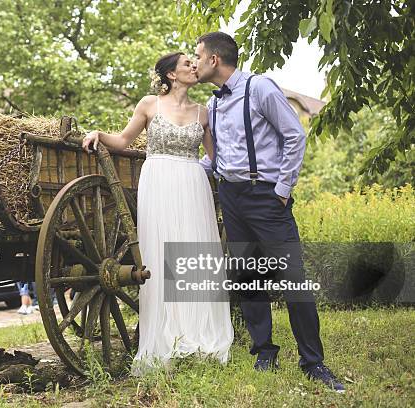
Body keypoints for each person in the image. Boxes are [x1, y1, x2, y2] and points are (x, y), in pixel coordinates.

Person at [193, 31, 345, 392]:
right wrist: (178, 169)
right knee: (247, 277)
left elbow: (295, 135)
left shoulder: (260, 88)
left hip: (266, 197)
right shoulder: (213, 105)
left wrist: (281, 190)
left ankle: (313, 362)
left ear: (214, 60)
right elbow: (218, 159)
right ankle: (264, 350)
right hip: (231, 196)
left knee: (293, 278)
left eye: (197, 55)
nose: (194, 61)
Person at [82, 52, 234, 376]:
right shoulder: (149, 105)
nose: (194, 67)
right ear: (170, 75)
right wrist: (98, 134)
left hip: (193, 183)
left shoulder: (204, 113)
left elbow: (216, 157)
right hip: (158, 182)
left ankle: (197, 332)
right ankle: (166, 335)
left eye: (194, 64)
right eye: (187, 65)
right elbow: (123, 140)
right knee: (161, 254)